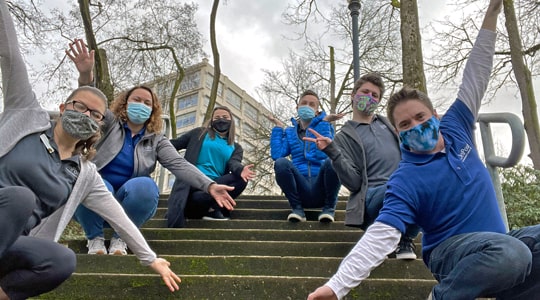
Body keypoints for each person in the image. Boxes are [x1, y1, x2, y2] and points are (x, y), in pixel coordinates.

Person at [308, 1, 540, 299]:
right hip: (449, 253)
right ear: (398, 133)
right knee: (512, 254)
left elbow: (476, 75)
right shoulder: (406, 178)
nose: (416, 127)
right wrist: (336, 287)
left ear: (435, 115)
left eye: (420, 118)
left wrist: (492, 15)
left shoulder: (456, 127)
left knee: (518, 250)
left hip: (498, 244)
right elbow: (382, 235)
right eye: (404, 125)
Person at [0, 1, 182, 298]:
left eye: (94, 114)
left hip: (10, 244)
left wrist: (152, 258)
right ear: (62, 108)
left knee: (62, 259)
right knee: (20, 198)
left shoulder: (83, 173)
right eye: (79, 107)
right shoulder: (26, 116)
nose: (85, 115)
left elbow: (119, 217)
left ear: (100, 125)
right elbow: (10, 54)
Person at [65, 39, 236, 255]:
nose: (142, 105)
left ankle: (121, 240)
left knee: (146, 186)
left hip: (128, 203)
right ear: (125, 103)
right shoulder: (108, 123)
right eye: (137, 99)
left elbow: (178, 165)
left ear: (153, 109)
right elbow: (91, 106)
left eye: (147, 103)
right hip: (94, 199)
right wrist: (86, 78)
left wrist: (210, 185)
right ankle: (95, 239)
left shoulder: (157, 140)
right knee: (90, 180)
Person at [304, 73, 420, 260]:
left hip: (404, 185)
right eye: (365, 92)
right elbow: (354, 183)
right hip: (372, 196)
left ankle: (403, 238)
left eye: (375, 95)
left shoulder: (388, 124)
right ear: (353, 94)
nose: (370, 97)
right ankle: (401, 238)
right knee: (400, 187)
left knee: (424, 183)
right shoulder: (343, 137)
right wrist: (332, 151)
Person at [166, 106, 256, 227]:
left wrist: (241, 170)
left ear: (231, 122)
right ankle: (209, 209)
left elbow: (234, 164)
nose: (221, 120)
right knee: (196, 195)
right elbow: (173, 145)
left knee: (241, 179)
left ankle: (212, 208)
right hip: (193, 183)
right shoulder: (199, 133)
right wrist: (155, 142)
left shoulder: (236, 147)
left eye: (225, 117)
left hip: (214, 187)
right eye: (217, 117)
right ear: (212, 121)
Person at [269, 90, 341, 222]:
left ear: (317, 110)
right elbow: (277, 154)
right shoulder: (290, 132)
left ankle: (329, 208)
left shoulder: (326, 127)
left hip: (321, 186)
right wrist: (279, 128)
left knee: (332, 161)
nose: (307, 106)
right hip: (300, 187)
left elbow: (323, 154)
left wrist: (325, 122)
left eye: (312, 104)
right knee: (280, 163)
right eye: (304, 103)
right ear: (297, 107)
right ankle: (297, 209)